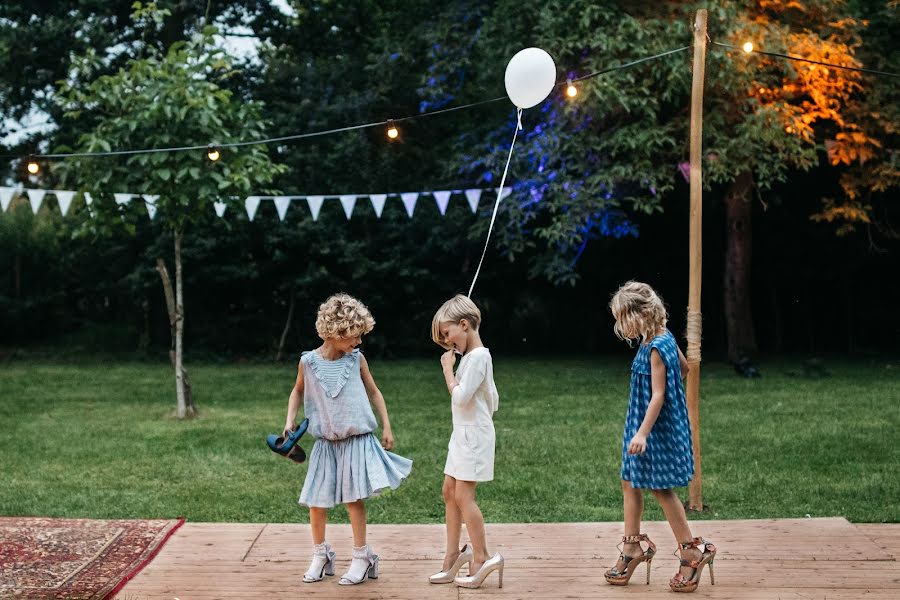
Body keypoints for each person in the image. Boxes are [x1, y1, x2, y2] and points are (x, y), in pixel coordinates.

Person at [282, 293, 412, 586]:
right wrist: (290, 419)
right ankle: (321, 554)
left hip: (356, 442)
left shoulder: (357, 360)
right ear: (336, 333)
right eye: (355, 336)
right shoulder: (308, 362)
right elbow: (297, 391)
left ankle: (362, 556)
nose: (359, 342)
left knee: (354, 500)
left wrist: (387, 426)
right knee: (317, 502)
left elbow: (375, 392)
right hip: (325, 445)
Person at [605, 281, 716, 593]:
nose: (619, 326)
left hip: (652, 428)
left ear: (639, 316)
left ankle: (692, 551)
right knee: (629, 478)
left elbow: (657, 395)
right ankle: (632, 547)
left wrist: (644, 431)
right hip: (645, 423)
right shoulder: (662, 337)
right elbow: (683, 368)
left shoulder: (655, 347)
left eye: (621, 319)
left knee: (660, 488)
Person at [428, 294, 504, 589]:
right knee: (449, 490)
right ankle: (453, 555)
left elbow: (460, 397)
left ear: (464, 324)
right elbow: (493, 399)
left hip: (474, 435)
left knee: (463, 496)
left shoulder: (479, 357)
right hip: (461, 433)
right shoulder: (473, 359)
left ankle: (483, 557)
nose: (448, 343)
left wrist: (448, 371)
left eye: (448, 335)